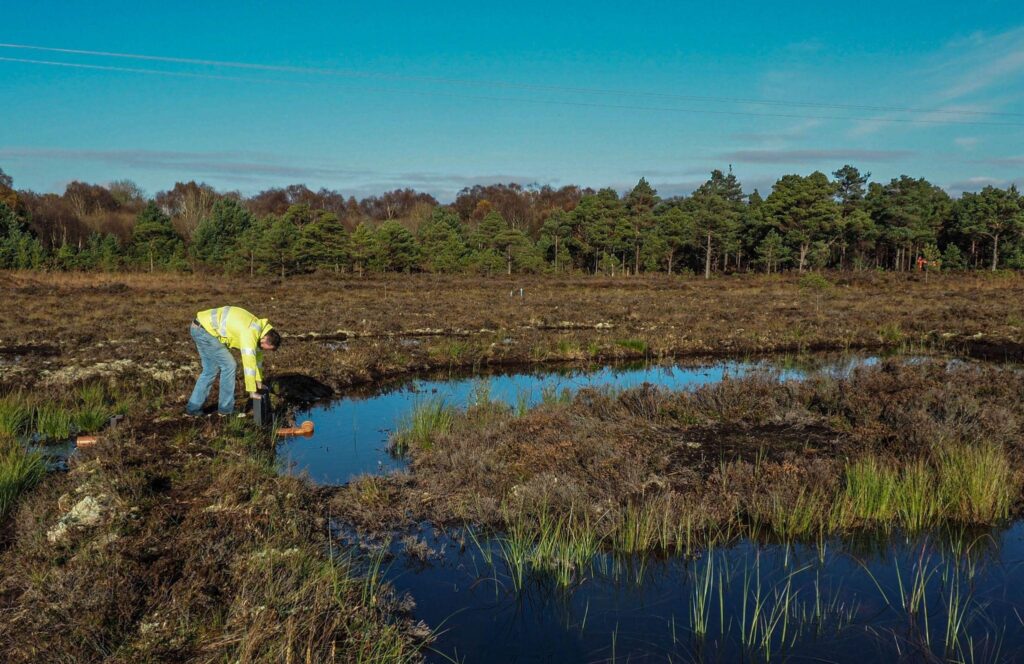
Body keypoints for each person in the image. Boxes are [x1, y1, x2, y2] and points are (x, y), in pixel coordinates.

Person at [185, 306, 281, 417]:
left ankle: (193, 409)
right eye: (265, 347)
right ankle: (225, 410)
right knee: (229, 365)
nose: (263, 349)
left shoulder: (258, 331)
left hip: (199, 327)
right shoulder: (250, 333)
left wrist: (258, 383)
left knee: (210, 370)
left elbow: (257, 362)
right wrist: (252, 391)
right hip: (205, 331)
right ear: (264, 339)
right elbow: (249, 364)